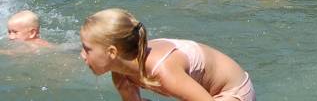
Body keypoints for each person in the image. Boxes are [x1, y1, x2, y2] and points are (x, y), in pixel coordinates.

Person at [79, 7, 255, 101]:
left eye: (87, 49)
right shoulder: (120, 74)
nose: (82, 55)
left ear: (112, 52)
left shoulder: (162, 70)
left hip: (234, 92)